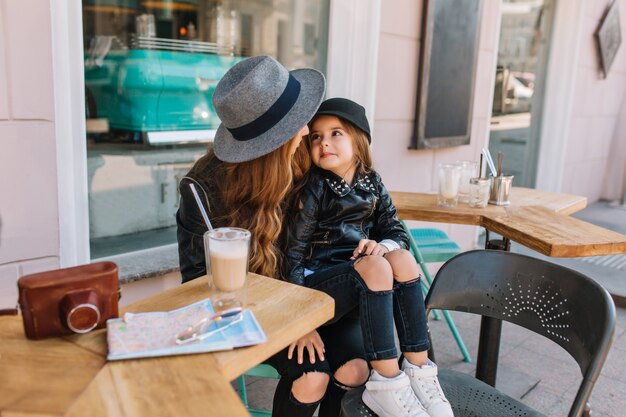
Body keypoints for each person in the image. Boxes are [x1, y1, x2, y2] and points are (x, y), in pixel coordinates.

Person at [176, 56, 370, 417]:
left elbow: (348, 215)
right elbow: (198, 281)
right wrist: (289, 318)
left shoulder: (304, 161)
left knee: (355, 369)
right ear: (269, 143)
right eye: (298, 124)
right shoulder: (203, 190)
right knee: (313, 377)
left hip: (315, 293)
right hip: (252, 309)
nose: (305, 131)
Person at [285, 98, 454, 417]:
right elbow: (292, 254)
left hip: (360, 287)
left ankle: (419, 371)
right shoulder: (314, 188)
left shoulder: (372, 183)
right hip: (318, 288)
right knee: (377, 264)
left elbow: (395, 228)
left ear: (358, 142)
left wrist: (385, 245)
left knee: (402, 259)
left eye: (336, 133)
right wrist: (299, 319)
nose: (323, 142)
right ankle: (387, 381)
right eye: (316, 136)